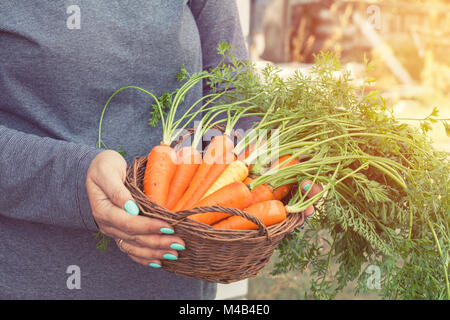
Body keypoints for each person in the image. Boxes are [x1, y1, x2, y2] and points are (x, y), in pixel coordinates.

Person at [0, 1, 321, 299]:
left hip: (182, 276)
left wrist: (279, 170)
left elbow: (232, 94)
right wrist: (77, 178)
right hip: (37, 278)